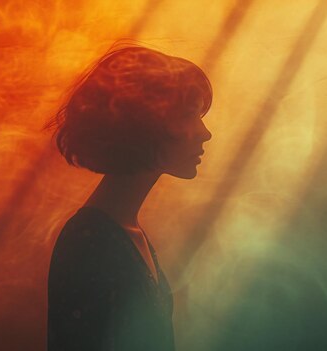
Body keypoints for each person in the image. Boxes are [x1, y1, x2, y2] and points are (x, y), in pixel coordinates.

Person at [46, 44, 213, 351]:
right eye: (189, 116)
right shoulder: (90, 241)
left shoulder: (123, 233)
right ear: (145, 122)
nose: (205, 133)